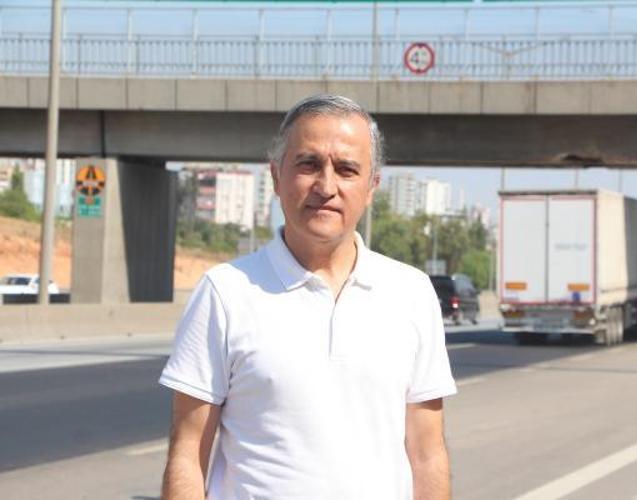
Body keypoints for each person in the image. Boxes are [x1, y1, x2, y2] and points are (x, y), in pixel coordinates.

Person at [159, 94, 457, 500]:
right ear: (276, 176)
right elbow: (188, 455)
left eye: (347, 169)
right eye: (308, 164)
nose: (326, 187)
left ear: (372, 187)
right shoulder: (225, 292)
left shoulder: (411, 293)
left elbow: (427, 455)